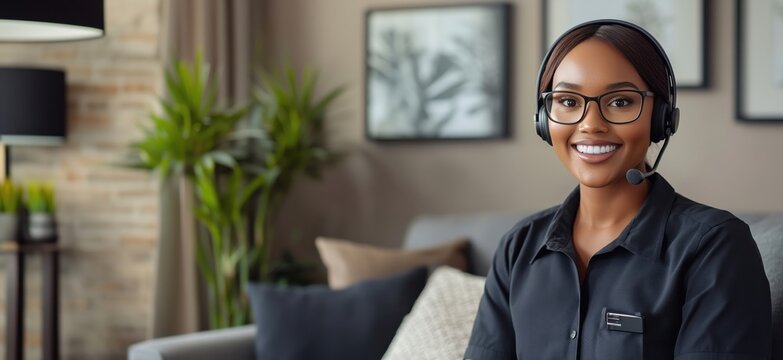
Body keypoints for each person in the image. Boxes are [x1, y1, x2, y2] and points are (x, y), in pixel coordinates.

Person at [464, 19, 772, 360]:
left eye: (620, 102)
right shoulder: (517, 247)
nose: (591, 124)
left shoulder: (715, 247)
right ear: (543, 120)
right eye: (568, 101)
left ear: (661, 118)